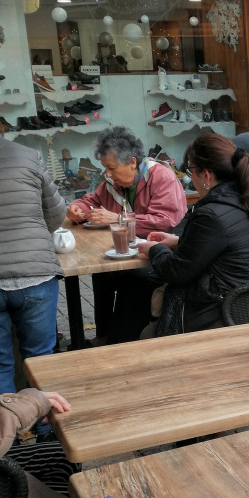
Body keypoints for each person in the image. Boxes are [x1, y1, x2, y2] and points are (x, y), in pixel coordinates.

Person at [138, 133, 249, 335]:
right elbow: (230, 246)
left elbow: (177, 272)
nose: (192, 180)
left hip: (230, 314)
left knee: (146, 331)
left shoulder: (212, 214)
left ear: (207, 175)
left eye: (192, 171)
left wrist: (154, 250)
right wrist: (178, 241)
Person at [0, 96, 66, 433]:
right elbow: (56, 214)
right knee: (40, 357)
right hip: (36, 274)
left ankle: (9, 440)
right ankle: (46, 437)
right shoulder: (27, 156)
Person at [66, 126, 188, 344]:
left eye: (111, 168)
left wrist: (117, 218)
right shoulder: (114, 183)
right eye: (105, 169)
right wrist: (76, 208)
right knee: (102, 274)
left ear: (132, 162)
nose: (108, 175)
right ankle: (103, 335)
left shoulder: (161, 177)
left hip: (162, 254)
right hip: (131, 251)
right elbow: (91, 200)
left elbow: (164, 221)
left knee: (134, 279)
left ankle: (121, 339)